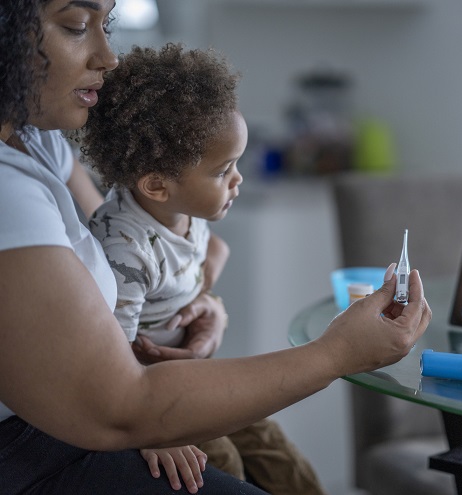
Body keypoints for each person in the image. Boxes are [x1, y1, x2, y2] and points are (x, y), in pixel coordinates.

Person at [0, 1, 431, 494]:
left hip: (100, 408)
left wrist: (202, 300)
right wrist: (337, 353)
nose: (108, 55)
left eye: (107, 23)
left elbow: (129, 232)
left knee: (281, 462)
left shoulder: (35, 141)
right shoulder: (6, 190)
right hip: (39, 443)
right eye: (77, 26)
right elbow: (123, 405)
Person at [81, 43, 326, 494]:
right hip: (155, 392)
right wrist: (154, 431)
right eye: (223, 171)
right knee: (224, 463)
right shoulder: (125, 251)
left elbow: (210, 250)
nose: (238, 180)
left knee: (275, 448)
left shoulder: (179, 209)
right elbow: (112, 359)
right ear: (157, 184)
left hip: (191, 373)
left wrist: (207, 289)